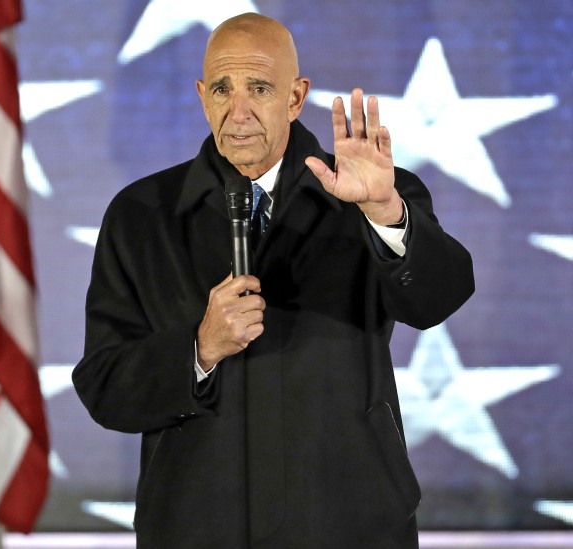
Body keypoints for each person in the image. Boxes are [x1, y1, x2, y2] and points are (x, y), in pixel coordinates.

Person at [73, 12, 474, 549]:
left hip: (351, 524)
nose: (238, 113)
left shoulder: (370, 191)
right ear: (201, 95)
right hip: (196, 528)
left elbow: (438, 299)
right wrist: (199, 349)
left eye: (259, 88)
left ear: (295, 96)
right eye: (222, 88)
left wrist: (384, 210)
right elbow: (105, 387)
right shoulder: (141, 215)